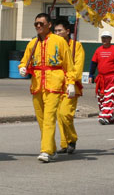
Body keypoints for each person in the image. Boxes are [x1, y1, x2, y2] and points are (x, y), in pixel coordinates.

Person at [18, 12, 75, 163]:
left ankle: (46, 150)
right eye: (36, 24)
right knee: (42, 120)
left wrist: (71, 83)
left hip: (54, 85)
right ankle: (52, 148)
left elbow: (69, 65)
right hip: (37, 85)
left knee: (50, 117)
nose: (38, 26)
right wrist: (23, 68)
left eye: (41, 24)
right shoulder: (32, 43)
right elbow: (25, 62)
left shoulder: (59, 41)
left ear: (49, 25)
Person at [53, 18, 84, 155]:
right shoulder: (54, 45)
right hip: (55, 84)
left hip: (71, 85)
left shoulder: (76, 46)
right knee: (58, 116)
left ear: (67, 31)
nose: (57, 33)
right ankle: (64, 144)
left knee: (65, 114)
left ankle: (72, 138)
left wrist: (71, 81)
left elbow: (77, 67)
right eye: (55, 31)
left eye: (60, 30)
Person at [89, 31, 114, 125]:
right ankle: (110, 117)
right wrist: (91, 75)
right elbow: (93, 63)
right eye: (103, 38)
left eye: (106, 38)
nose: (104, 39)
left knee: (109, 97)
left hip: (112, 77)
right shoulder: (98, 50)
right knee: (101, 99)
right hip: (101, 78)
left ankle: (104, 117)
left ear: (110, 39)